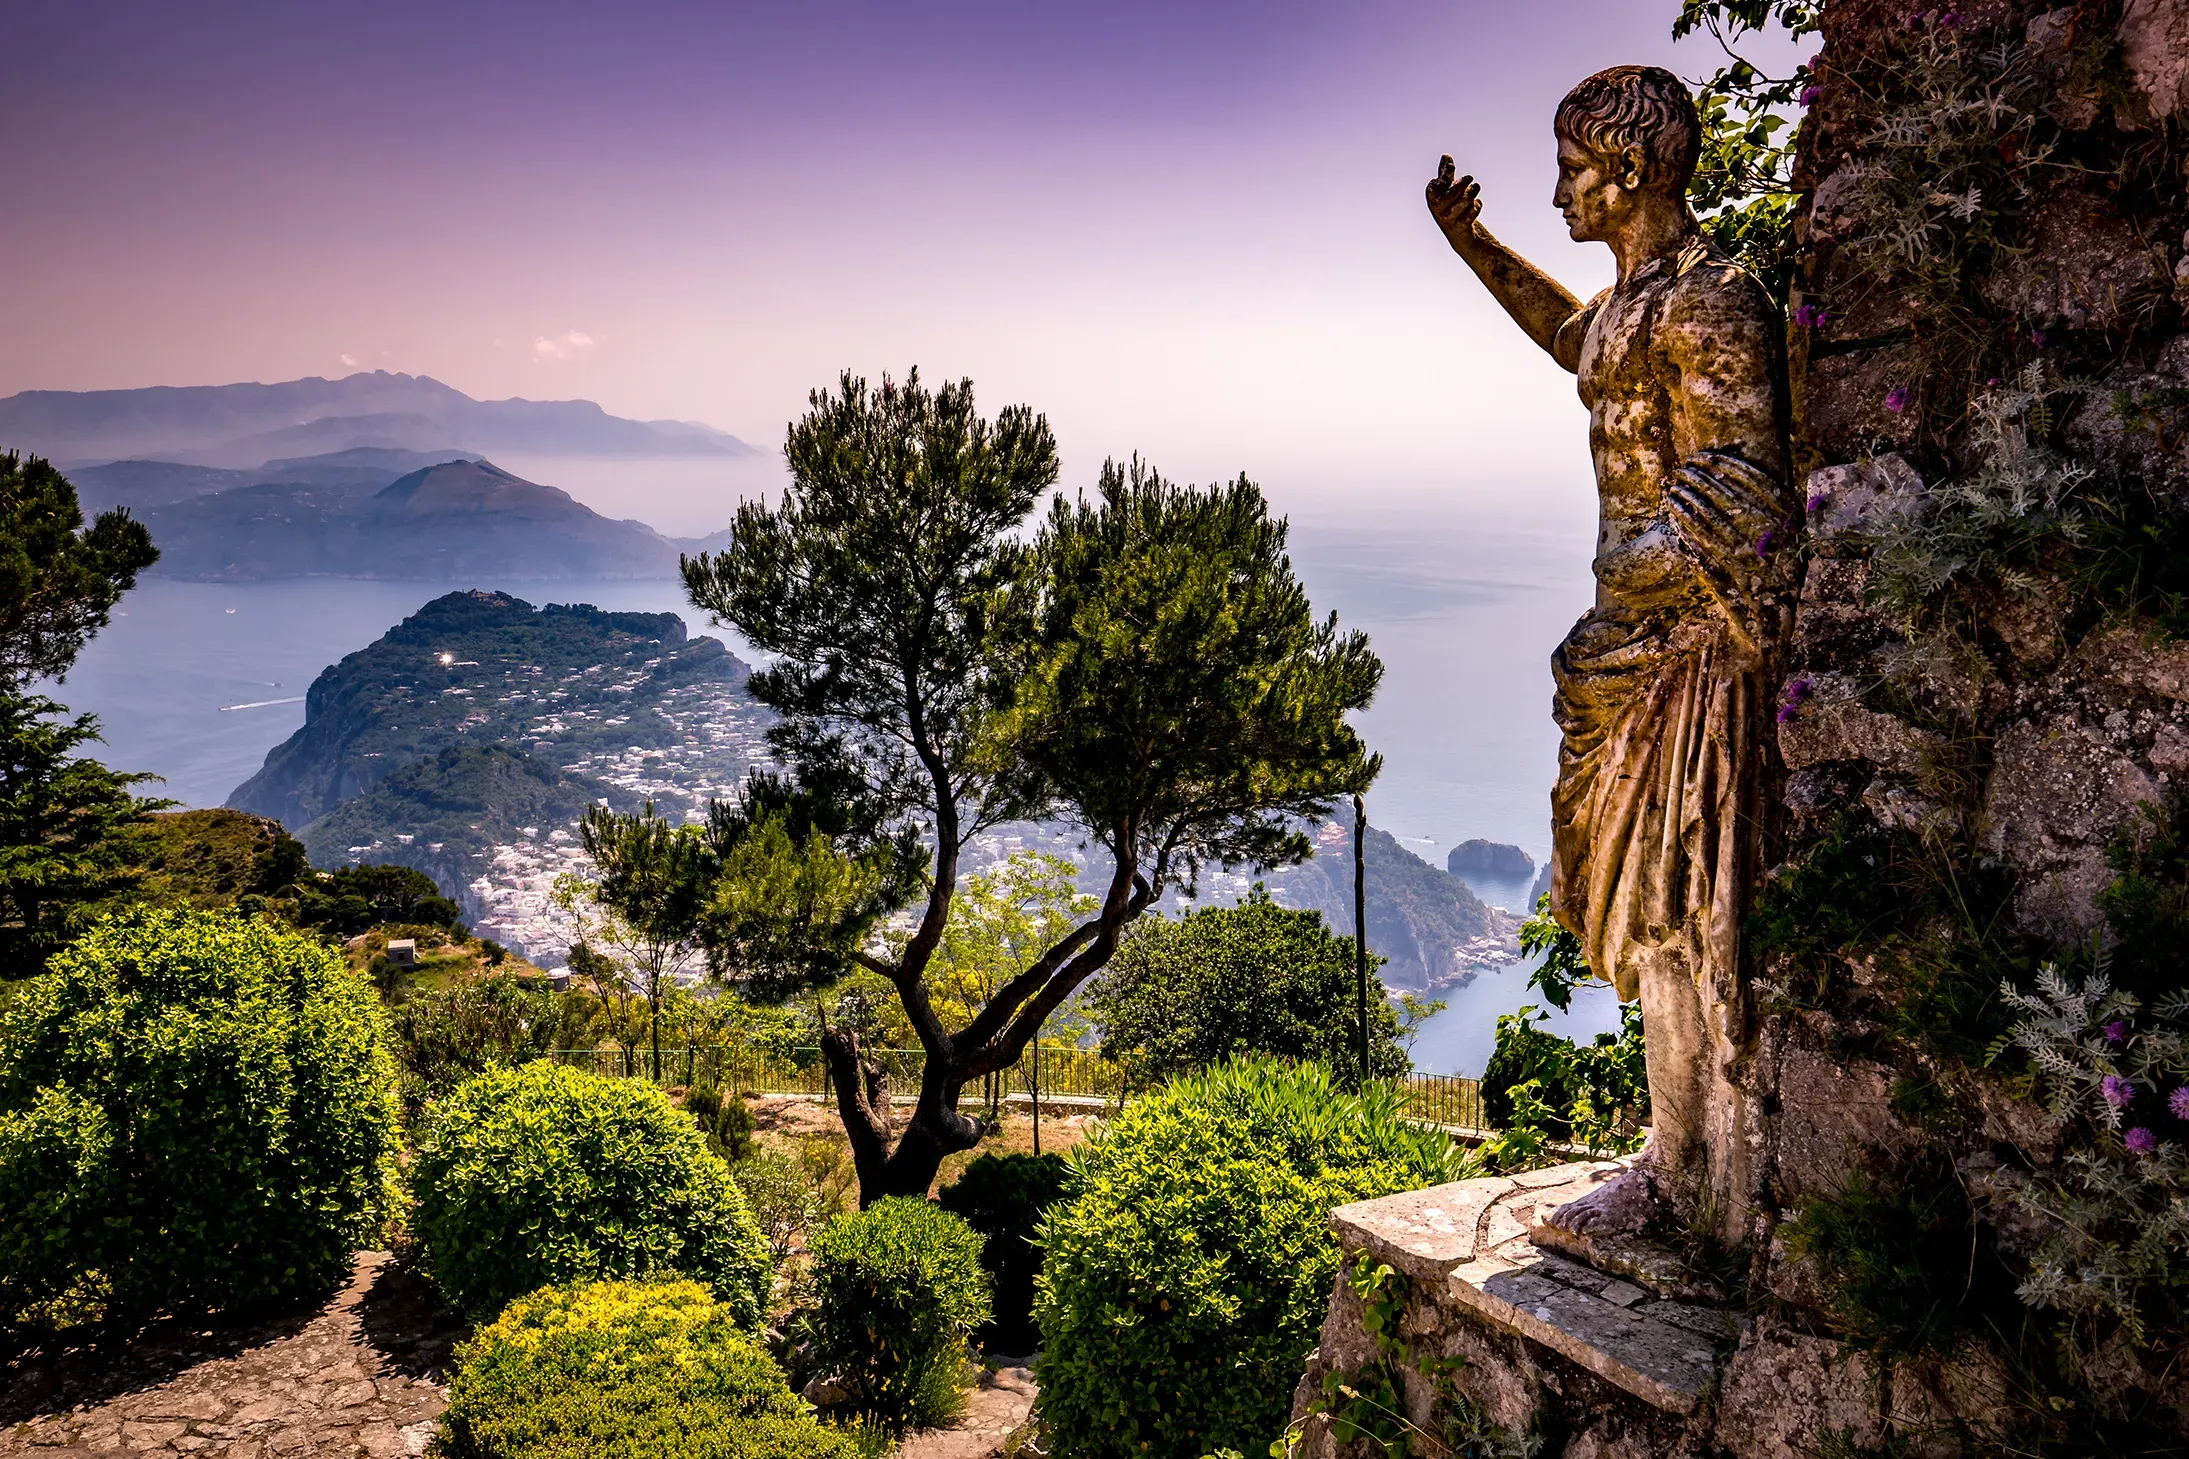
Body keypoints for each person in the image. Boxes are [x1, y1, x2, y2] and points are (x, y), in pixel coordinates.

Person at [1426, 65, 1795, 1240]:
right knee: (1645, 911)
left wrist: (1620, 596)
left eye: (1571, 171)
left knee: (1687, 898)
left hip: (1686, 650)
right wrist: (1468, 245)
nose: (1556, 193)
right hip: (1623, 648)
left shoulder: (1711, 302)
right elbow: (1570, 340)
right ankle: (1673, 1158)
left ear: (1629, 171)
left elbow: (1738, 492)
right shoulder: (1634, 306)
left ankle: (1709, 1182)